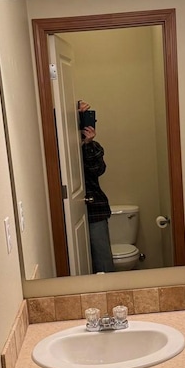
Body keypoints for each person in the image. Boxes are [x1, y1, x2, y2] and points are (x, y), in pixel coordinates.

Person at [78, 101, 115, 273]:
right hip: (75, 211)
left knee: (103, 259)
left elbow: (98, 170)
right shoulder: (62, 146)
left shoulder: (93, 147)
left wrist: (87, 144)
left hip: (95, 208)